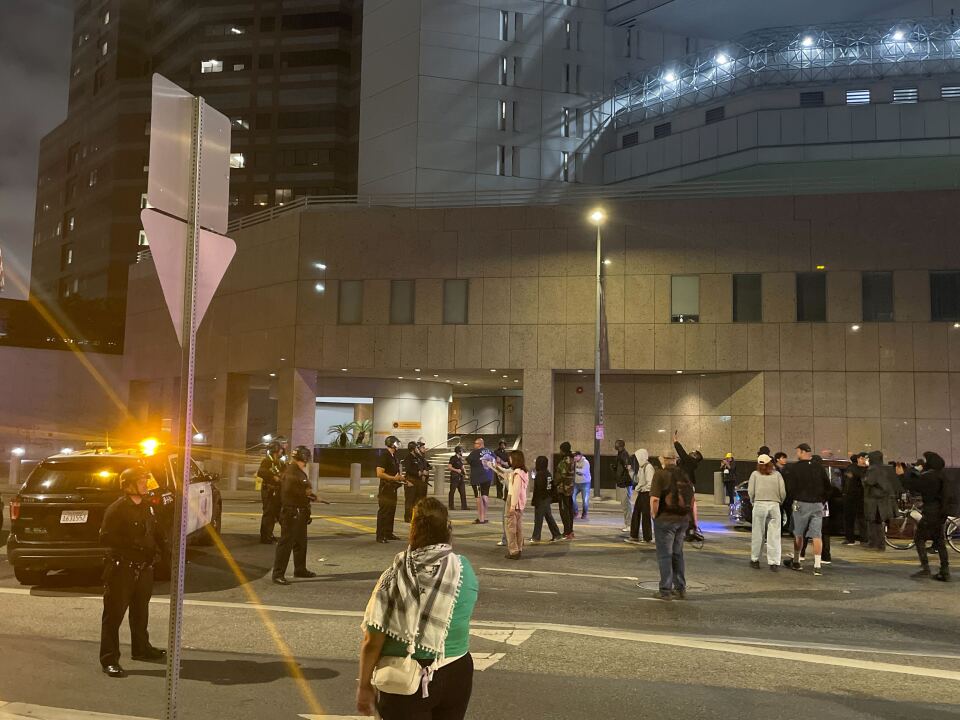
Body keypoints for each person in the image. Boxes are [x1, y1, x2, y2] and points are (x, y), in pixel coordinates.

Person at [356, 498, 479, 719]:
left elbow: (372, 642)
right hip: (457, 673)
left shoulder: (394, 577)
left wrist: (364, 686)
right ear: (447, 529)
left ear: (413, 530)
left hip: (406, 678)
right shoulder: (462, 569)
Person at [99, 466, 167, 677]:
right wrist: (134, 547)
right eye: (141, 481)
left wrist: (166, 554)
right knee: (114, 616)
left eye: (146, 480)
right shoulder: (117, 509)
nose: (146, 484)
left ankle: (141, 648)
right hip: (122, 569)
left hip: (144, 569)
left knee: (140, 612)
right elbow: (106, 538)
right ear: (128, 485)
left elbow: (157, 533)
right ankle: (109, 659)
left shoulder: (148, 507)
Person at [649, 453, 696, 600]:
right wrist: (694, 522)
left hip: (665, 519)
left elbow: (655, 499)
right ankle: (680, 588)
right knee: (678, 554)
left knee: (665, 555)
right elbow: (693, 500)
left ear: (662, 460)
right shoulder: (684, 474)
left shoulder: (660, 474)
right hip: (683, 520)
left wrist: (654, 515)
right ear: (676, 460)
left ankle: (665, 590)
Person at [898, 452, 951, 581]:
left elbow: (912, 485)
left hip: (930, 512)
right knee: (939, 541)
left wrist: (903, 474)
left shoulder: (929, 476)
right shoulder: (943, 476)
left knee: (919, 538)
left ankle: (925, 568)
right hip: (940, 513)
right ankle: (945, 571)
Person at [272, 445, 318, 585]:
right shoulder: (292, 471)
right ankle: (278, 574)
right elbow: (289, 493)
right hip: (292, 512)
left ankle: (300, 569)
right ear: (303, 457)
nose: (307, 461)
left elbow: (302, 489)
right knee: (286, 543)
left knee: (300, 542)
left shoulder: (297, 470)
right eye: (306, 458)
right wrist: (307, 495)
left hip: (300, 511)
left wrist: (309, 497)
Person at [782, 443, 831, 575]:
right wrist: (822, 499)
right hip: (817, 504)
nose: (797, 454)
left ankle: (797, 561)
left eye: (798, 452)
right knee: (817, 535)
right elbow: (828, 486)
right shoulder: (819, 468)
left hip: (801, 503)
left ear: (803, 452)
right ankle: (817, 565)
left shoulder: (795, 468)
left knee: (799, 534)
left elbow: (790, 487)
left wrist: (793, 499)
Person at [748, 454, 786, 571]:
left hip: (759, 504)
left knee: (758, 533)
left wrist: (753, 502)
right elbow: (782, 492)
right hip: (774, 505)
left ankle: (755, 559)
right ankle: (773, 562)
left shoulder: (754, 475)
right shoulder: (777, 475)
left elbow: (751, 491)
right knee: (774, 535)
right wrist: (779, 502)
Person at [491, 450, 529, 559]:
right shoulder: (522, 472)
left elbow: (515, 491)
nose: (509, 460)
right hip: (520, 503)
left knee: (510, 528)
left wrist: (512, 506)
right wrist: (493, 467)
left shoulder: (517, 474)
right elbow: (505, 474)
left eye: (511, 458)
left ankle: (514, 551)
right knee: (518, 527)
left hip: (513, 501)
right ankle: (518, 548)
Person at [862, 450, 899, 551]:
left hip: (874, 500)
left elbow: (869, 481)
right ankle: (878, 543)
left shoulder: (873, 469)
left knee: (874, 522)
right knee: (878, 522)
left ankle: (876, 543)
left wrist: (864, 479)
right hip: (884, 500)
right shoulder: (886, 468)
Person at [375, 436, 405, 543]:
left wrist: (400, 479)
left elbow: (394, 473)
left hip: (393, 488)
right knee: (384, 511)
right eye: (397, 443)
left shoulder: (393, 457)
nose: (398, 445)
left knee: (391, 511)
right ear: (392, 444)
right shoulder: (384, 456)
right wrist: (394, 478)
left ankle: (388, 533)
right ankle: (380, 535)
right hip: (385, 488)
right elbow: (379, 473)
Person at [256, 442, 284, 543]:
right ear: (276, 450)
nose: (282, 451)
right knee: (268, 513)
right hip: (268, 490)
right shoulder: (267, 461)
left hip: (277, 491)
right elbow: (261, 472)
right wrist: (272, 477)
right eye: (280, 449)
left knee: (275, 513)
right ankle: (265, 537)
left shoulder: (279, 462)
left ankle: (269, 533)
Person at [530, 455, 562, 543]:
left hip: (541, 499)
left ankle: (536, 537)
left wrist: (535, 500)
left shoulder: (540, 474)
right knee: (548, 516)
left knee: (538, 519)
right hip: (547, 498)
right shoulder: (548, 473)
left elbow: (539, 489)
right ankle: (557, 534)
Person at [626, 448, 654, 544]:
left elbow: (650, 483)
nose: (637, 459)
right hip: (642, 493)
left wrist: (641, 488)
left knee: (645, 516)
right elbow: (637, 480)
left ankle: (647, 538)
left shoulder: (648, 467)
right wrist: (630, 471)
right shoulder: (642, 467)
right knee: (636, 514)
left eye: (638, 457)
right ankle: (634, 535)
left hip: (646, 494)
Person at [466, 438, 495, 524]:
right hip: (488, 477)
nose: (474, 445)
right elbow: (495, 460)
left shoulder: (475, 452)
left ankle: (481, 519)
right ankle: (484, 516)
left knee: (479, 497)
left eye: (475, 443)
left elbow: (468, 460)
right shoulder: (490, 451)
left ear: (480, 444)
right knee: (485, 495)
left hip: (478, 478)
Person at [841, 453, 867, 545]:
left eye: (865, 459)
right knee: (849, 518)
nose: (863, 460)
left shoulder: (867, 469)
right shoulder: (852, 468)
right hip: (850, 497)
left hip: (862, 498)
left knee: (862, 518)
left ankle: (863, 539)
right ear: (858, 459)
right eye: (862, 458)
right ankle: (850, 538)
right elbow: (847, 481)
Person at [613, 439, 635, 531]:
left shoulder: (624, 454)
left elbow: (628, 467)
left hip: (625, 482)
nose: (615, 446)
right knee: (625, 505)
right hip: (622, 482)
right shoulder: (621, 454)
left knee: (626, 504)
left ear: (621, 445)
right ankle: (627, 523)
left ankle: (629, 524)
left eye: (616, 444)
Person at [556, 442, 576, 539]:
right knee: (569, 510)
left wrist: (555, 482)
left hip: (564, 489)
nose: (559, 451)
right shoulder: (572, 459)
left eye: (560, 450)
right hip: (570, 488)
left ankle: (567, 532)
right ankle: (570, 531)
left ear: (563, 450)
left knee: (564, 511)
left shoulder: (565, 460)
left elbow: (562, 475)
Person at [403, 442, 421, 523]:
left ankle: (414, 516)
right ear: (413, 449)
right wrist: (417, 473)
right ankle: (407, 517)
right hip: (410, 481)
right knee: (409, 501)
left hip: (416, 482)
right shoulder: (408, 458)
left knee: (415, 501)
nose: (418, 449)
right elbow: (408, 469)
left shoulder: (417, 457)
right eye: (417, 448)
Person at [571, 450, 592, 520]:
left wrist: (574, 469)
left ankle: (584, 514)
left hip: (585, 483)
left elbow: (583, 471)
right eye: (574, 457)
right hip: (576, 483)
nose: (574, 458)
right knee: (572, 497)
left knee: (585, 500)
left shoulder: (585, 462)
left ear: (579, 456)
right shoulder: (574, 462)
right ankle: (576, 513)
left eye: (575, 456)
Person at [447, 445, 468, 511]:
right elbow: (449, 467)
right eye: (462, 451)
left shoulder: (460, 459)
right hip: (455, 477)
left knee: (463, 492)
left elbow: (462, 467)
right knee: (452, 492)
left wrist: (465, 474)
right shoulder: (453, 458)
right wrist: (456, 470)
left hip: (460, 477)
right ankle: (451, 506)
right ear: (458, 451)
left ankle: (464, 506)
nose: (462, 452)